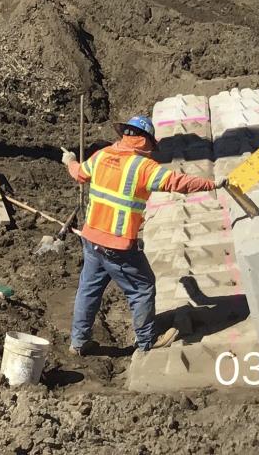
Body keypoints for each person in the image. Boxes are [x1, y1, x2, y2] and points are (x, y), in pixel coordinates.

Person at [61, 114, 215, 356]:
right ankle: (146, 341)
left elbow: (79, 173)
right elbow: (177, 182)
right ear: (146, 141)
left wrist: (69, 160)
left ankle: (79, 342)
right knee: (142, 287)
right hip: (118, 246)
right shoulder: (144, 167)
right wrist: (211, 184)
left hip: (91, 239)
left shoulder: (101, 156)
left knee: (88, 290)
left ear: (125, 135)